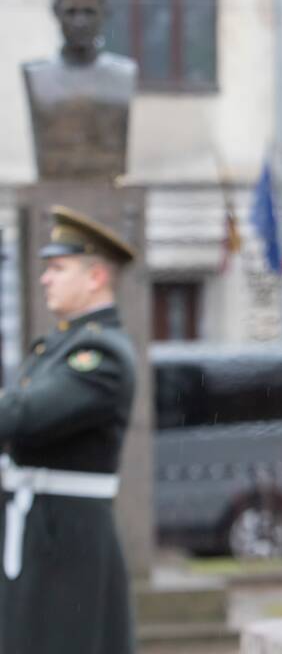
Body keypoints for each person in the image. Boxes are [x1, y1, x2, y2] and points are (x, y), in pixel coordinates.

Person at [0, 205, 137, 654]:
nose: (45, 279)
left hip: (67, 540)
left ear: (96, 276)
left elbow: (21, 417)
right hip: (40, 529)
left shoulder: (101, 354)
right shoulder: (59, 346)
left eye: (58, 268)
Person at [22, 0, 137, 183]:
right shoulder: (37, 74)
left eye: (89, 12)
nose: (80, 22)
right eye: (71, 12)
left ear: (105, 13)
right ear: (56, 13)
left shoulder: (123, 74)